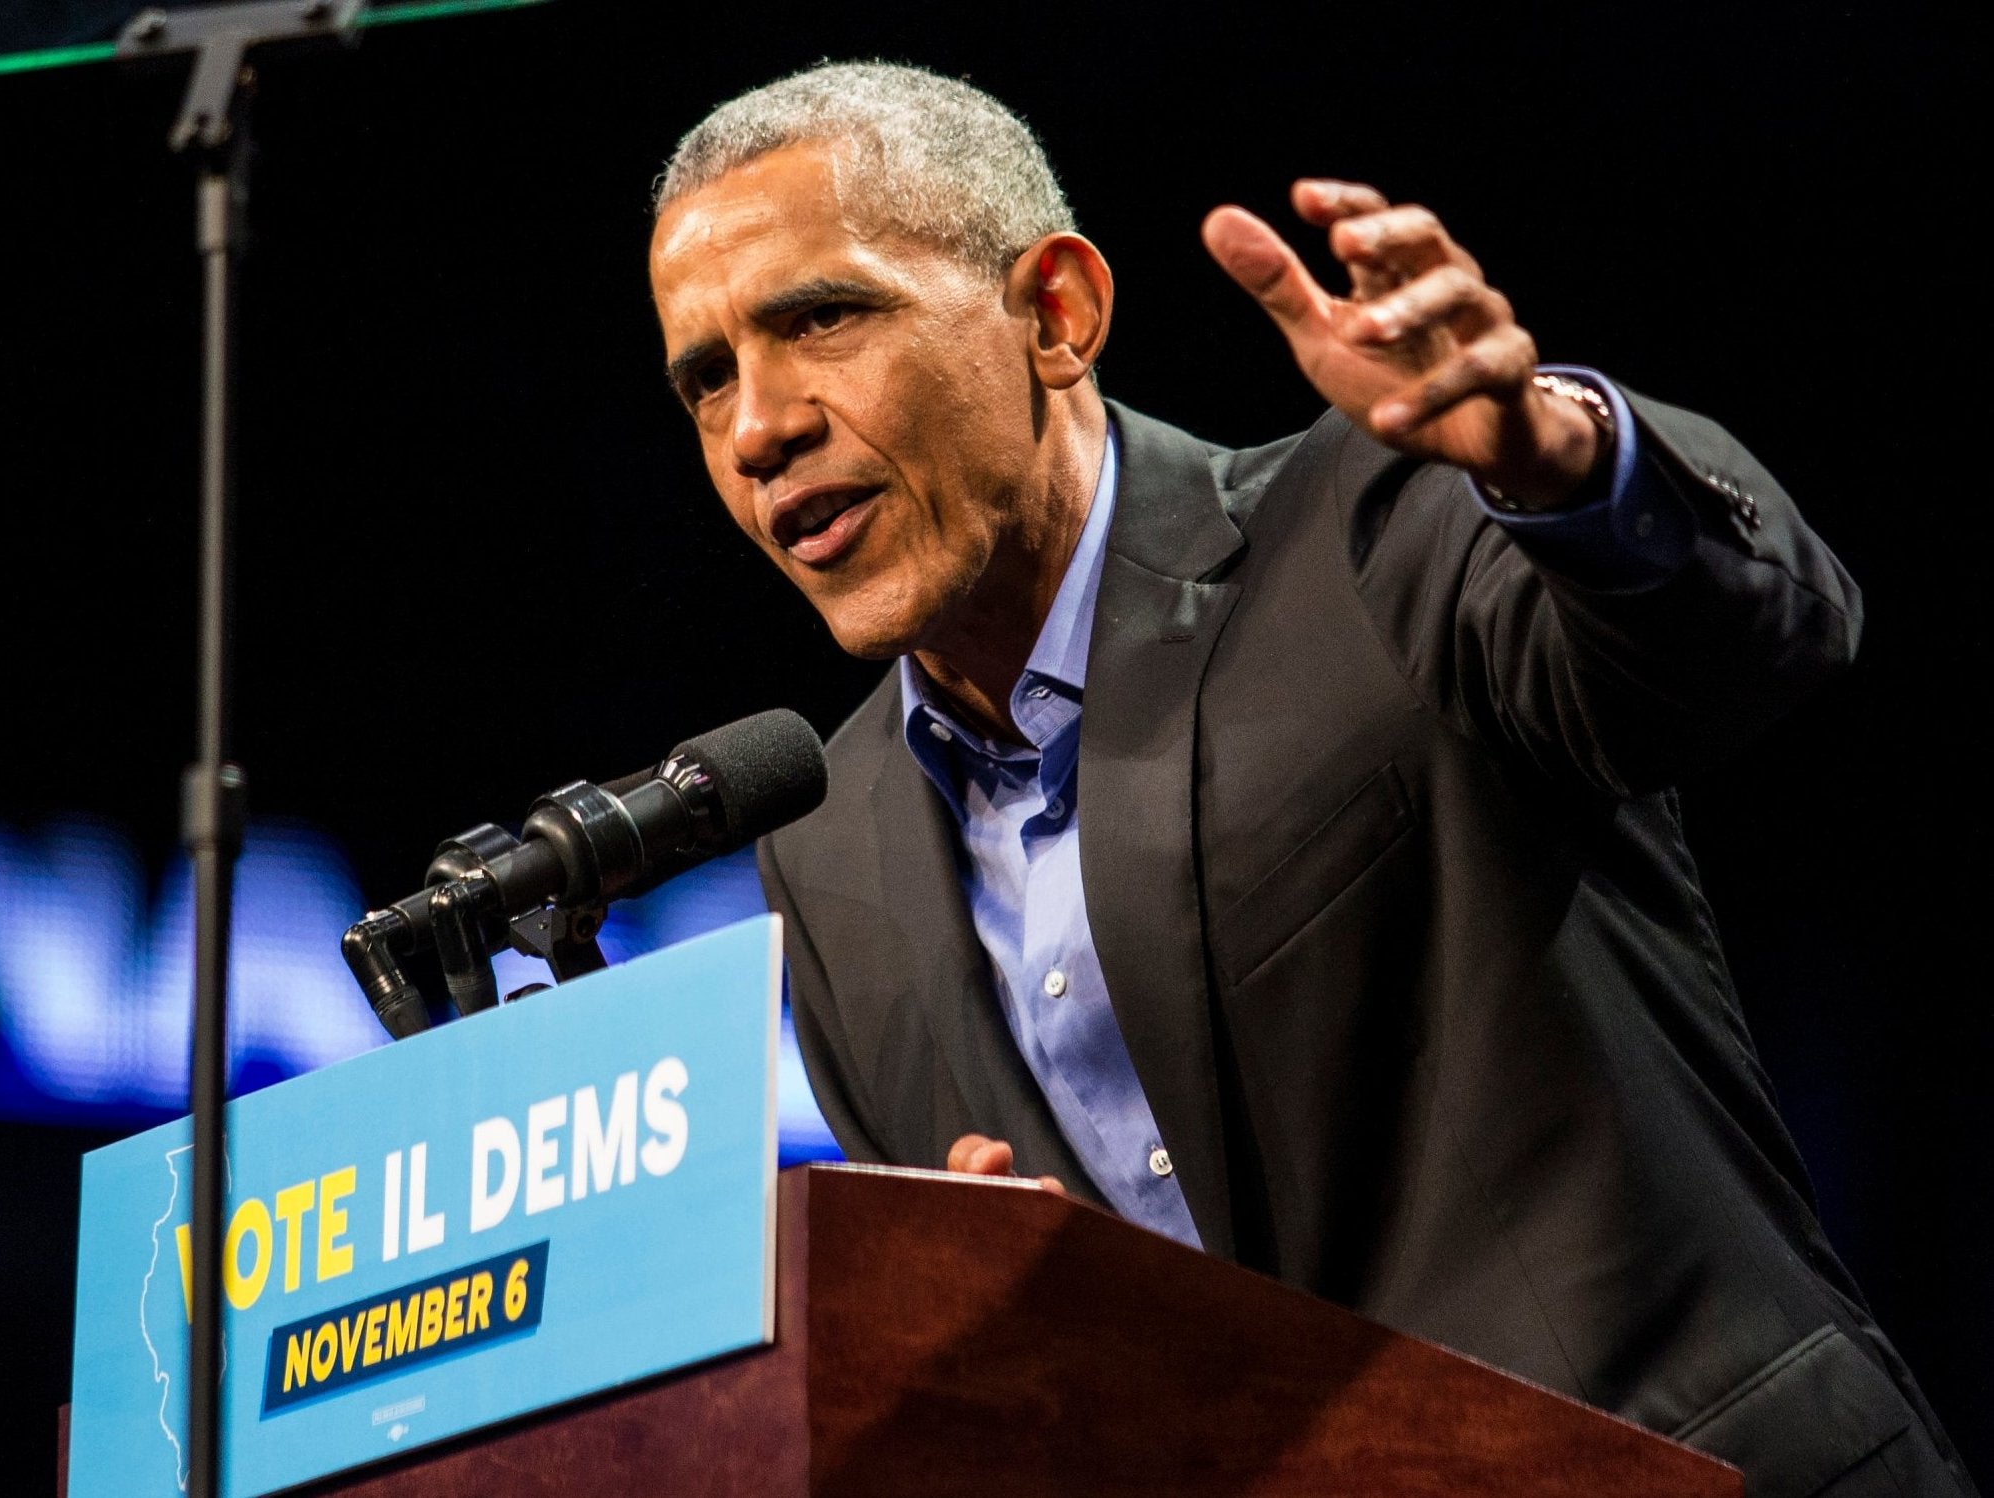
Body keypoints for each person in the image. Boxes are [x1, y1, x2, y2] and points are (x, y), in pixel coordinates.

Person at [646, 61, 1973, 1496]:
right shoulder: (825, 845)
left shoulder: (1367, 525)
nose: (756, 426)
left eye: (821, 319)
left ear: (1054, 314)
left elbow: (1754, 639)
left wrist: (1554, 459)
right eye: (705, 376)